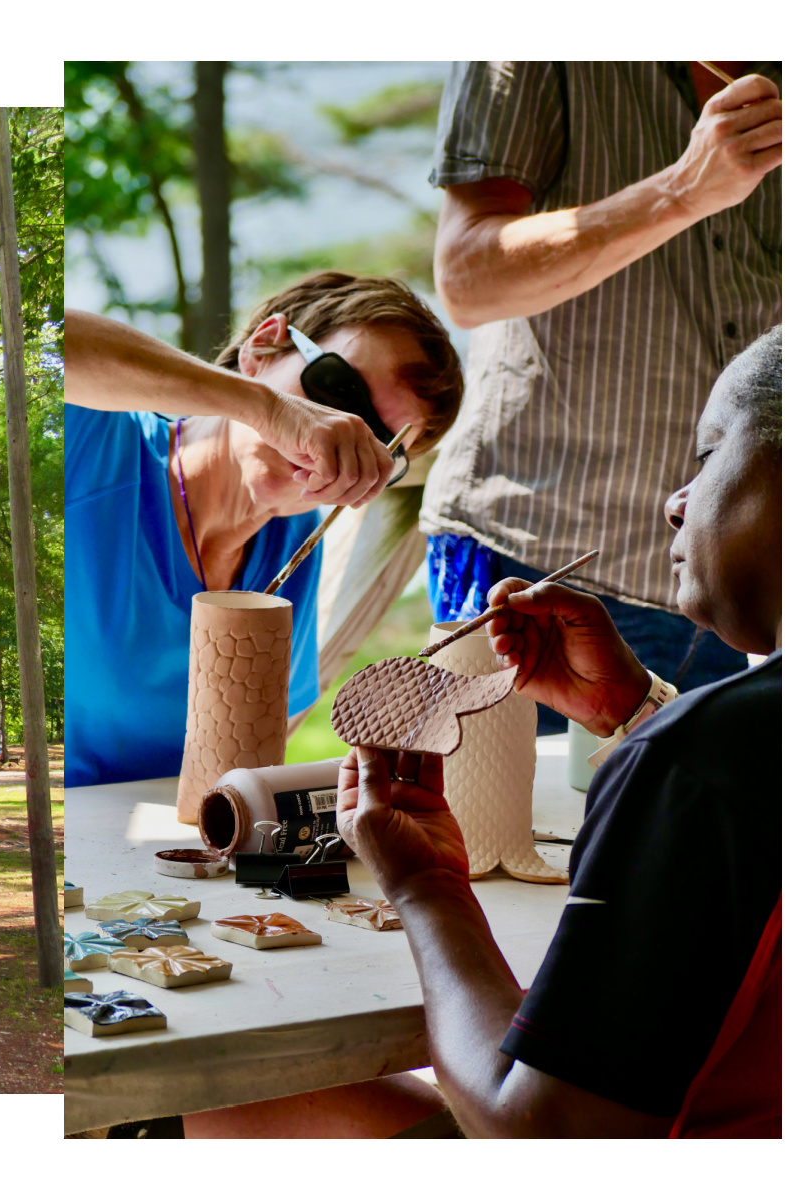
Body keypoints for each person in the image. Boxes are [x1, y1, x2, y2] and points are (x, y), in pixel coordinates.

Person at [338, 328, 780, 1137]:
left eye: (710, 454)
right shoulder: (721, 751)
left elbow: (543, 1133)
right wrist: (639, 709)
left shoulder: (703, 763)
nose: (675, 500)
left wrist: (427, 891)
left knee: (245, 1100)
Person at [422, 62, 782, 732]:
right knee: (498, 830)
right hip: (534, 563)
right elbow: (467, 279)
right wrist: (683, 189)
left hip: (742, 592)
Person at [65, 272, 465, 788]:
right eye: (336, 389)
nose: (338, 437)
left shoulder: (293, 553)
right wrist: (265, 408)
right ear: (263, 346)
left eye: (379, 446)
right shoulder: (97, 445)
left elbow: (242, 765)